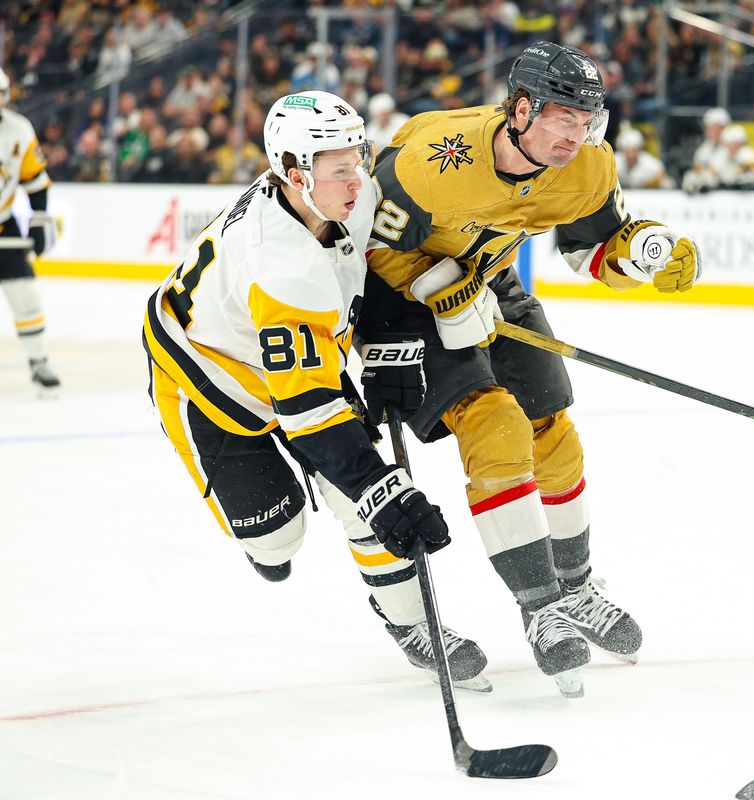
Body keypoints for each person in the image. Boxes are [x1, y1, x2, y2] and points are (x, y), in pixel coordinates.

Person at [357, 42, 700, 697]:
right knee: (498, 427)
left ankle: (575, 587)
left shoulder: (587, 165)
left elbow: (593, 249)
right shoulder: (432, 160)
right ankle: (541, 607)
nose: (578, 136)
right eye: (564, 119)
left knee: (554, 434)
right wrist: (438, 284)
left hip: (492, 284)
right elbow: (367, 243)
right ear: (521, 109)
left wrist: (648, 255)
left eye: (588, 121)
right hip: (402, 299)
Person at [141, 91, 490, 691]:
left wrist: (392, 341)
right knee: (281, 542)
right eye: (340, 169)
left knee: (357, 495)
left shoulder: (342, 196)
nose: (359, 178)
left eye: (358, 157)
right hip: (209, 381)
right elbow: (308, 409)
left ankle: (413, 625)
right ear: (297, 175)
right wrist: (384, 490)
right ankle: (269, 536)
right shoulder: (279, 262)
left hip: (298, 362)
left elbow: (374, 274)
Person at [0, 70, 60, 394]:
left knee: (25, 295)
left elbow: (35, 181)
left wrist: (39, 218)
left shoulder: (18, 130)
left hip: (3, 224)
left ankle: (38, 362)